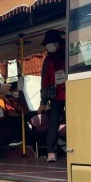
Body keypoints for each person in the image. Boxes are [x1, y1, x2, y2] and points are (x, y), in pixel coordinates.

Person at [37, 29, 66, 162]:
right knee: (54, 122)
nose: (50, 46)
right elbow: (44, 81)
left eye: (52, 43)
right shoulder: (47, 61)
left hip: (72, 93)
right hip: (56, 96)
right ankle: (51, 152)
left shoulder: (69, 56)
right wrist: (43, 102)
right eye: (48, 44)